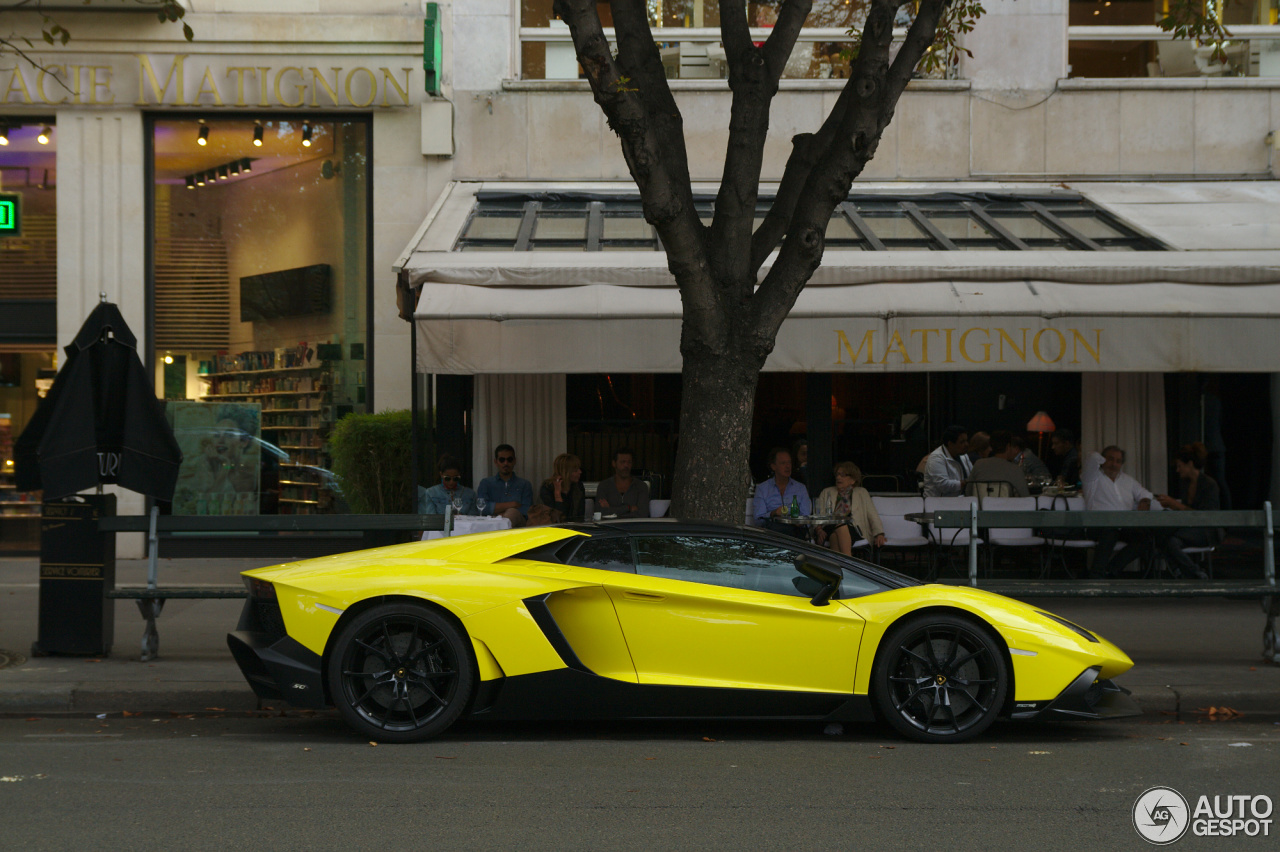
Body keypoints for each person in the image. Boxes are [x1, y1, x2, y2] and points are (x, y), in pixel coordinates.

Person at [1081, 445, 1154, 578]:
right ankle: (1096, 576)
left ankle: (1111, 569)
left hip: (1122, 526)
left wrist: (1144, 501)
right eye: (1110, 459)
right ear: (1103, 460)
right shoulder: (1092, 477)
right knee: (1110, 531)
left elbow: (1145, 493)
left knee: (1146, 538)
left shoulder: (1127, 480)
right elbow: (1091, 456)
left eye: (1118, 461)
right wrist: (1102, 460)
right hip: (1097, 526)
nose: (1114, 464)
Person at [1153, 443, 1222, 579]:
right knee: (1160, 534)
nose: (1178, 470)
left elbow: (1207, 516)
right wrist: (1171, 505)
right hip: (1190, 527)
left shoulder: (1209, 484)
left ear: (1190, 464)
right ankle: (1185, 571)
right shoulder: (1186, 484)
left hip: (1207, 530)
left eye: (1180, 466)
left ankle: (1189, 572)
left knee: (1170, 540)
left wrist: (1175, 505)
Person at [813, 461, 886, 554]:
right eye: (837, 474)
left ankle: (839, 566)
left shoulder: (862, 493)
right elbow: (818, 514)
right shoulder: (826, 492)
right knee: (839, 525)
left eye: (843, 475)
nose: (838, 477)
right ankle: (849, 561)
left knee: (835, 535)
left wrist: (879, 533)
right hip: (829, 527)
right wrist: (819, 530)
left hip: (854, 529)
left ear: (853, 480)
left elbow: (872, 515)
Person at [753, 447, 811, 538]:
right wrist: (773, 513)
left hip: (795, 532)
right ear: (773, 466)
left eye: (789, 462)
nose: (788, 466)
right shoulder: (762, 489)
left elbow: (806, 518)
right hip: (772, 533)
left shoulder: (800, 488)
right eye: (783, 463)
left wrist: (798, 521)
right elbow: (758, 520)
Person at [476, 443, 532, 528]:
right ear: (496, 462)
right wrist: (513, 504)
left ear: (514, 461)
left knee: (512, 513)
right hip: (491, 523)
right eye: (502, 460)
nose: (506, 463)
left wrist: (503, 515)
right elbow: (482, 508)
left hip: (517, 526)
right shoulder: (486, 483)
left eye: (509, 459)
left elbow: (527, 511)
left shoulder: (524, 484)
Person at [967, 430, 1031, 497]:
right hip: (1005, 506)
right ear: (1008, 446)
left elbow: (968, 491)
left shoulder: (978, 464)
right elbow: (1025, 496)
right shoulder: (1015, 469)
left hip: (981, 506)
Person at [595, 446, 650, 518]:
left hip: (634, 527)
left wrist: (612, 511)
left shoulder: (641, 486)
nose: (626, 465)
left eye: (629, 462)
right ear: (614, 463)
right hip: (609, 528)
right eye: (622, 462)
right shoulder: (604, 486)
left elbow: (643, 514)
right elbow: (600, 513)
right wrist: (628, 508)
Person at [922, 425, 968, 497]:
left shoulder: (964, 456)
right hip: (937, 504)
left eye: (966, 441)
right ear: (950, 444)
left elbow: (970, 476)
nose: (966, 444)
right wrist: (964, 483)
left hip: (958, 501)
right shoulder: (936, 458)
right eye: (962, 442)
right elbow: (943, 485)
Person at [539, 452, 585, 522]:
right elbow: (554, 518)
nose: (580, 472)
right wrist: (557, 494)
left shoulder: (578, 487)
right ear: (566, 472)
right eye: (575, 470)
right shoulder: (548, 487)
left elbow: (580, 514)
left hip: (574, 526)